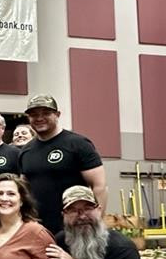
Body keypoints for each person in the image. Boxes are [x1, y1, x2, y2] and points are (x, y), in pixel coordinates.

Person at [19, 95, 107, 234]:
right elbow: (23, 190)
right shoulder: (26, 151)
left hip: (75, 227)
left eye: (46, 113)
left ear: (57, 114)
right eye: (34, 115)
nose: (39, 118)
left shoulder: (79, 144)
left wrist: (97, 223)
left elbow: (99, 186)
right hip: (38, 229)